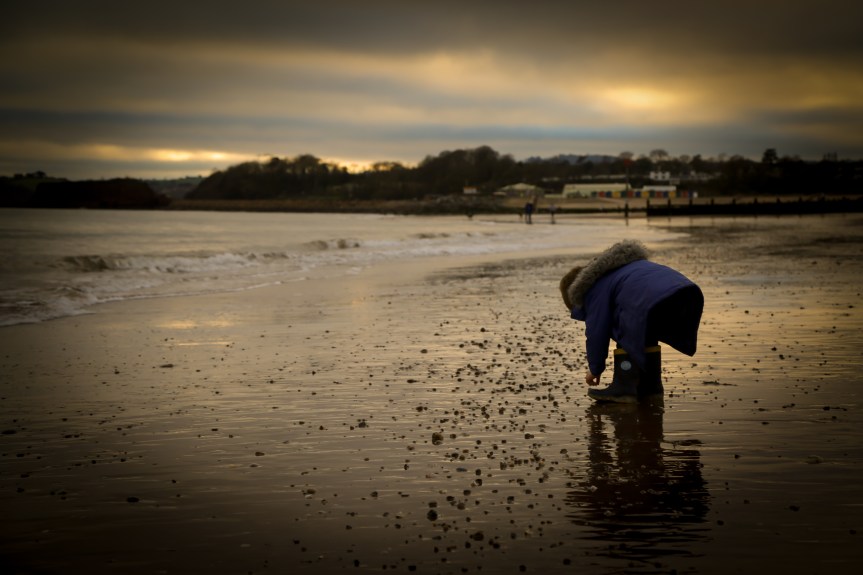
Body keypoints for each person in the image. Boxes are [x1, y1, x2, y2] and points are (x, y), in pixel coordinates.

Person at [559, 239, 703, 403]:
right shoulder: (620, 271)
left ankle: (624, 388)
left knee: (623, 325)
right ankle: (651, 388)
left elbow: (596, 331)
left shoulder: (595, 289)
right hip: (686, 295)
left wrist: (595, 369)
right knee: (643, 329)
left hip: (654, 299)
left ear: (578, 298)